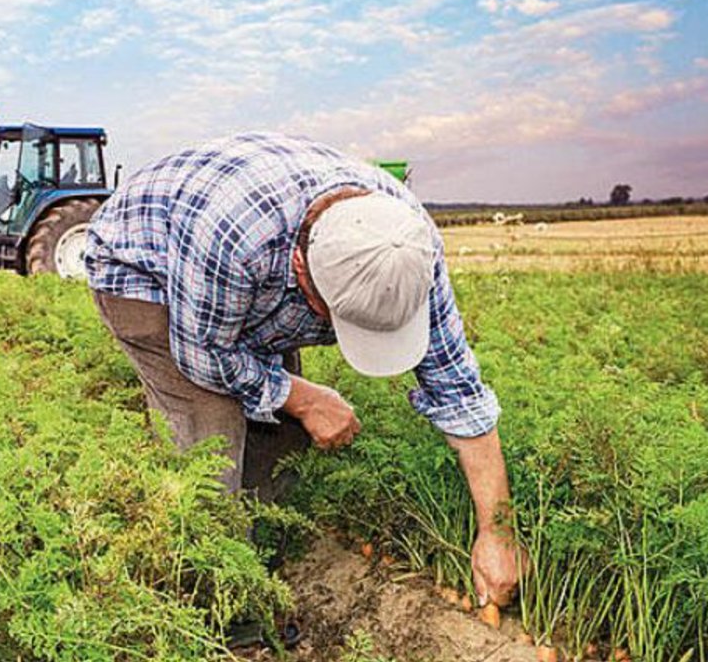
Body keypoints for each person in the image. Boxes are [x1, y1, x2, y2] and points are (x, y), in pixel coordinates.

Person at [84, 131, 520, 608]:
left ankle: (262, 561)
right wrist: (307, 397)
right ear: (300, 269)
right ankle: (218, 603)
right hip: (147, 272)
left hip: (243, 279)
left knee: (282, 432)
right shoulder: (234, 239)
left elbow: (459, 392)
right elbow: (205, 356)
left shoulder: (407, 246)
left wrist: (498, 533)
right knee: (211, 442)